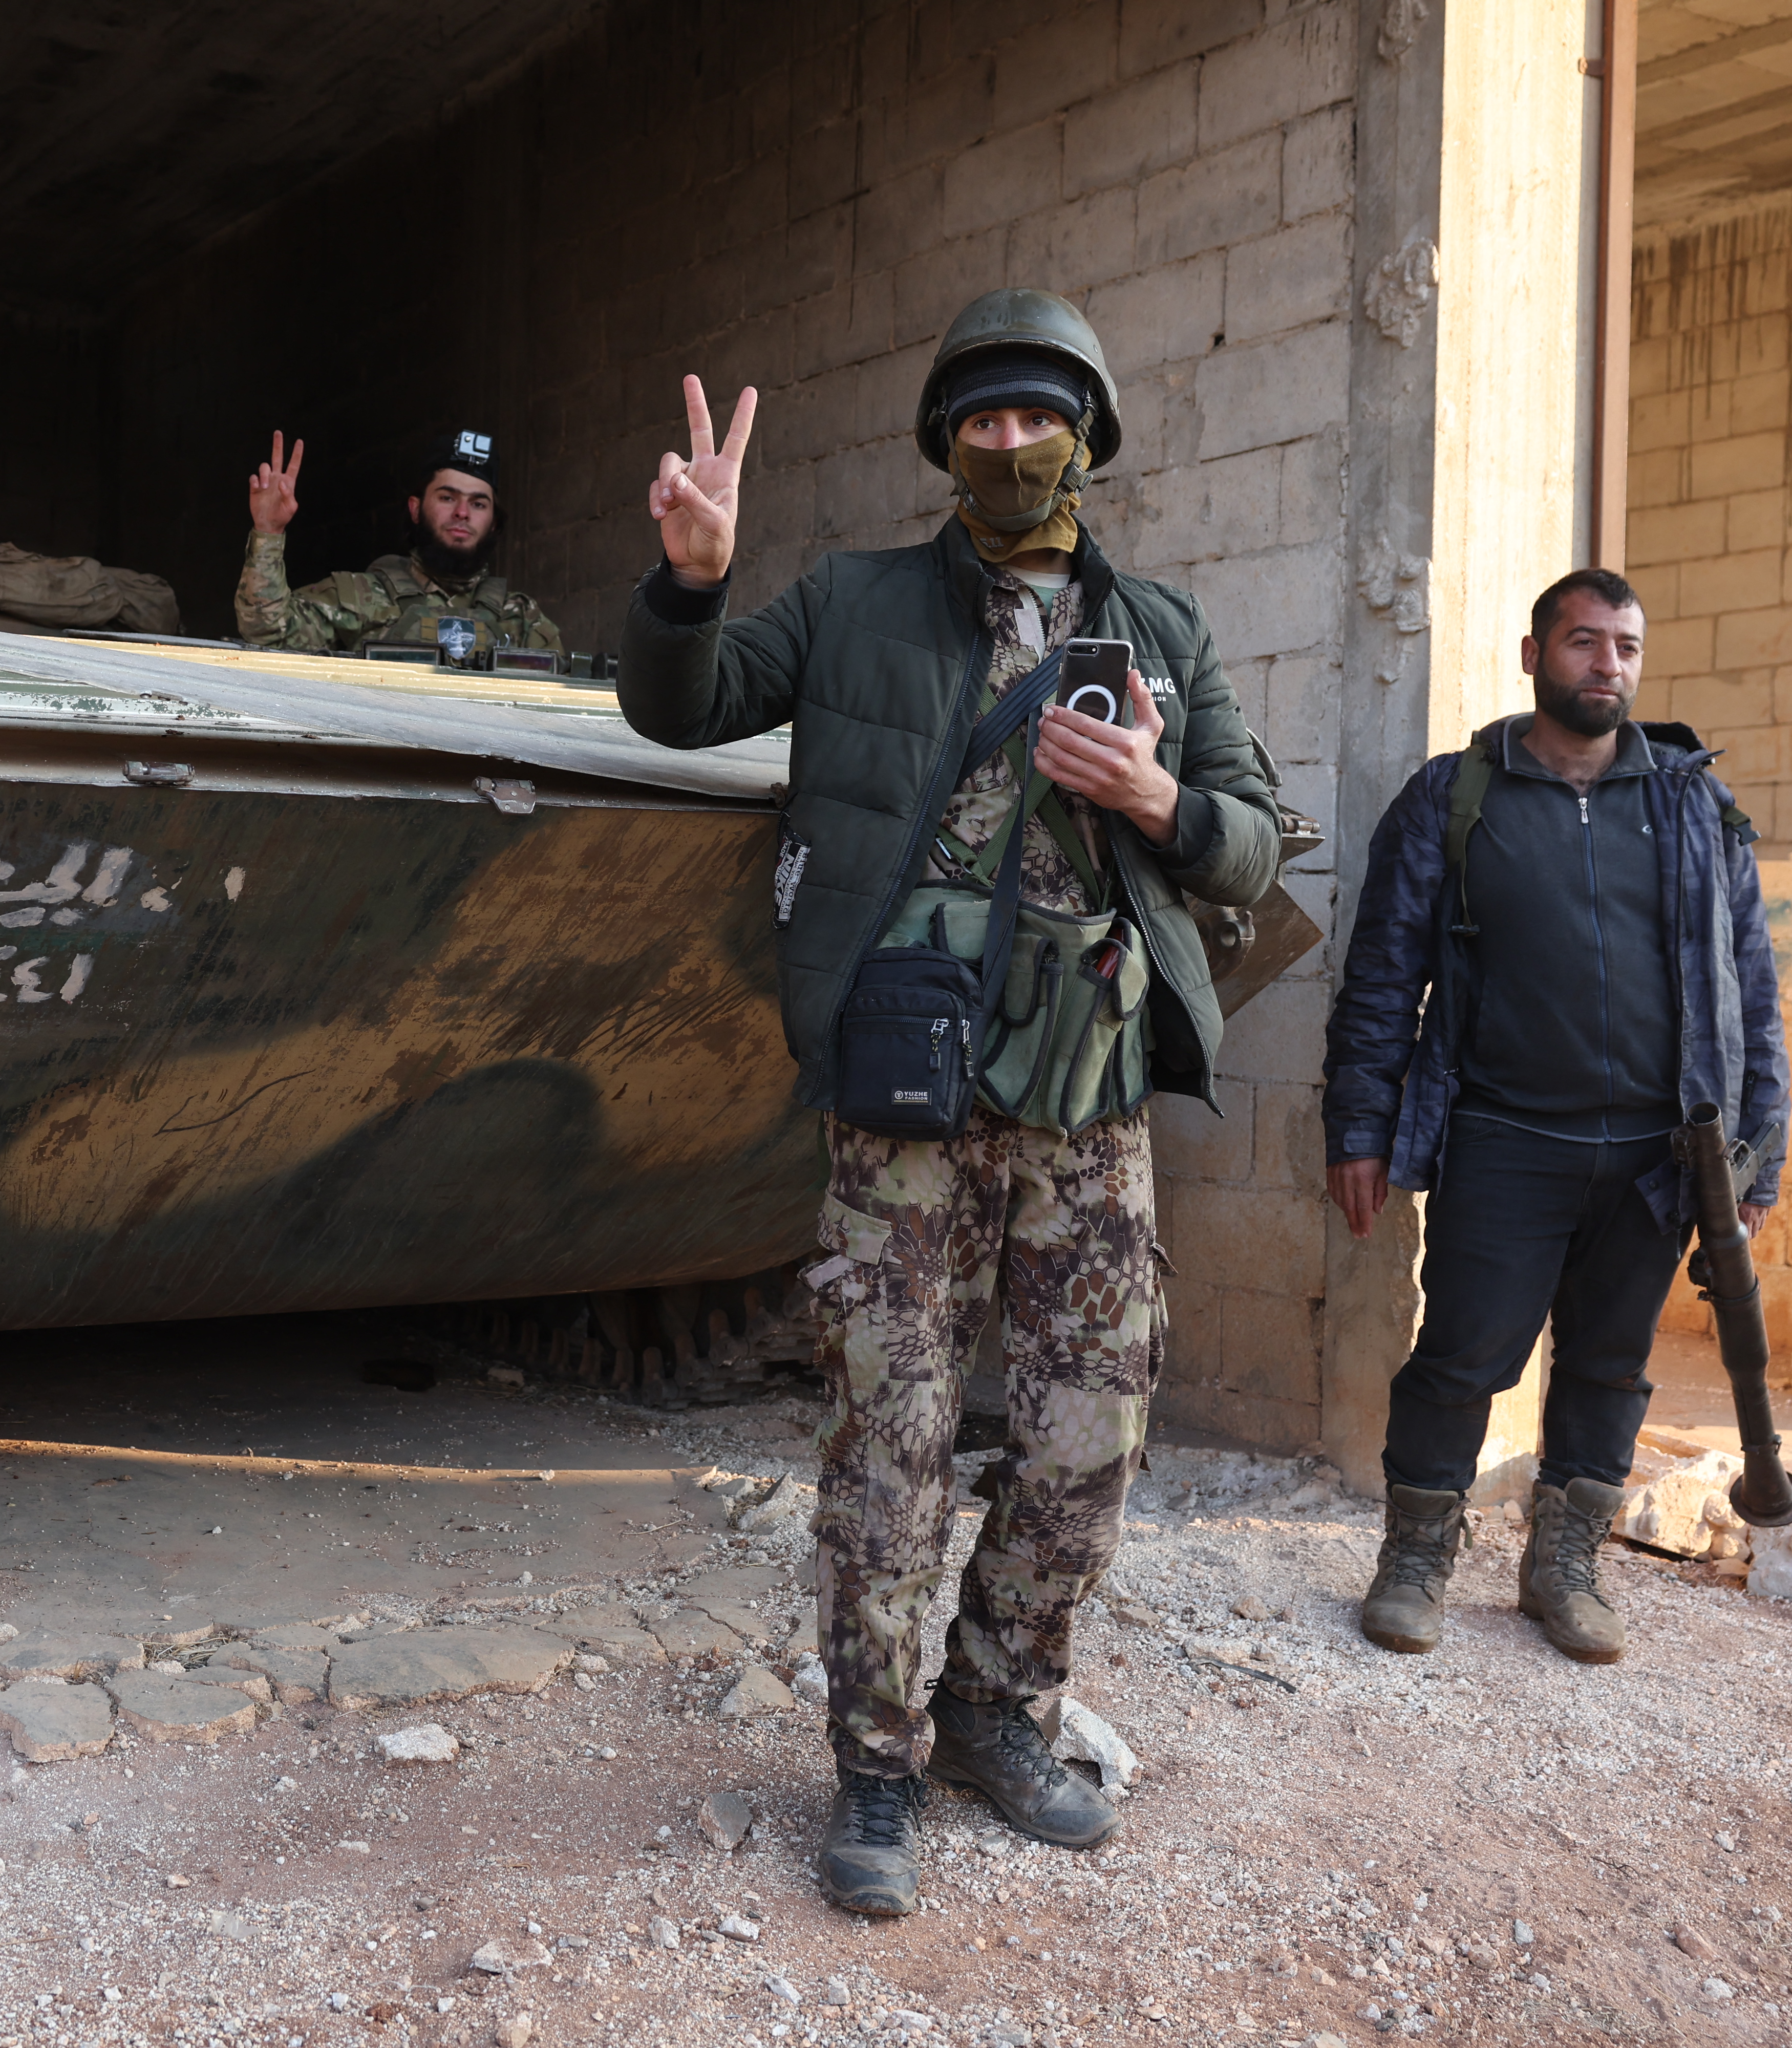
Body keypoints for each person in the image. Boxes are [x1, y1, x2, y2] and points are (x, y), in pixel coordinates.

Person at [616, 288, 1285, 1917]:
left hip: (1087, 1097)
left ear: (1086, 436)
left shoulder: (1164, 629)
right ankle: (873, 1767)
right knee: (890, 1441)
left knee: (1085, 1434)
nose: (1010, 442)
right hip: (906, 1094)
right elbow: (681, 706)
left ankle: (999, 1710)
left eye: (1038, 416)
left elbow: (1253, 839)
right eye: (982, 418)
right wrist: (690, 580)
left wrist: (1160, 798)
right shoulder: (851, 604)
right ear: (943, 441)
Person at [1321, 568, 1786, 1667]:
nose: (1607, 664)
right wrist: (1359, 1125)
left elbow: (1750, 985)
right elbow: (1383, 974)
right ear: (1535, 656)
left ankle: (1564, 1568)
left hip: (1659, 1153)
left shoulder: (1692, 803)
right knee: (1461, 1357)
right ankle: (1415, 1556)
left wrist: (1759, 1152)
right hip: (1504, 1136)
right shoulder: (1453, 797)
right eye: (1584, 641)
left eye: (1626, 646)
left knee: (1611, 1365)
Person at [232, 428, 563, 662]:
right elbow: (268, 633)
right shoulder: (360, 597)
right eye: (447, 498)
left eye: (478, 504)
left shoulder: (522, 618)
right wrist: (269, 531)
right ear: (416, 509)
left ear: (493, 522)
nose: (462, 513)